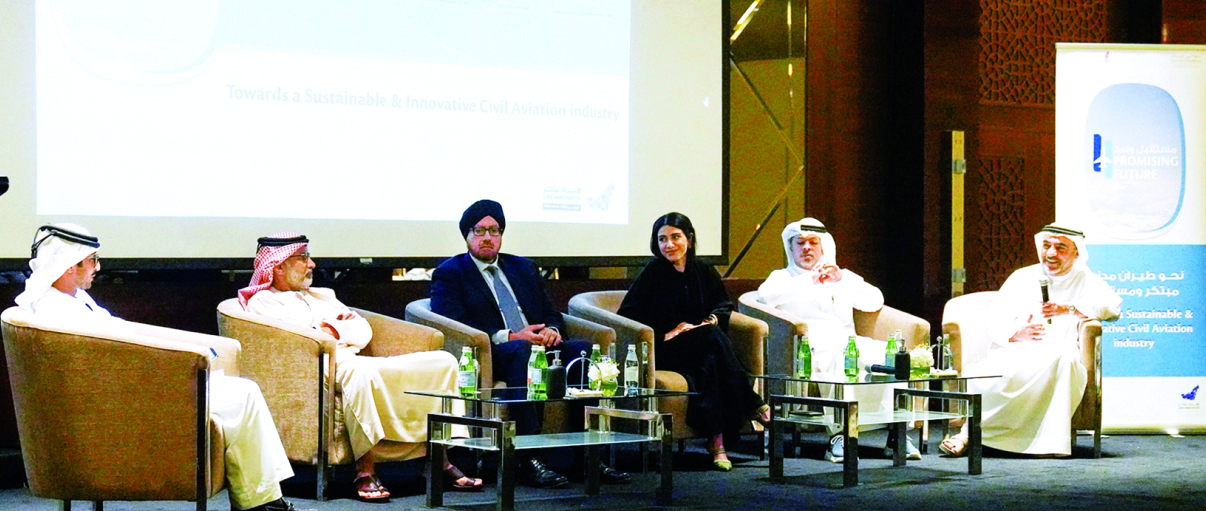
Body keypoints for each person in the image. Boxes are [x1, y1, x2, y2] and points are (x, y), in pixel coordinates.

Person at [15, 224, 295, 511]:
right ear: (67, 266)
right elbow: (103, 358)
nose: (98, 268)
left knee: (243, 393)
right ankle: (262, 503)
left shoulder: (73, 298)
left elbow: (117, 336)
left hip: (135, 384)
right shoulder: (55, 311)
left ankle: (262, 501)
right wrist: (170, 366)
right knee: (244, 395)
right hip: (123, 401)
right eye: (92, 261)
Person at [240, 233, 482, 501]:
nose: (312, 264)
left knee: (444, 362)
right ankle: (364, 470)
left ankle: (440, 460)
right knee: (360, 373)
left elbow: (363, 331)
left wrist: (331, 329)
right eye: (303, 258)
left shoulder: (324, 296)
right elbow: (303, 340)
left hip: (354, 359)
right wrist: (336, 328)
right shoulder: (263, 302)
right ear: (278, 266)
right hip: (320, 368)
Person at [430, 199, 630, 488]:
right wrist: (510, 336)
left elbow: (551, 312)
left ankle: (587, 455)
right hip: (495, 352)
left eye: (494, 230)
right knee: (522, 351)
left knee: (583, 351)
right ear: (467, 235)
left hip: (539, 346)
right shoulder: (450, 273)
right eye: (479, 230)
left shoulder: (523, 267)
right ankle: (528, 458)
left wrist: (551, 330)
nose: (487, 237)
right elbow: (453, 322)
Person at [940, 223, 1122, 457]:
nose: (1051, 253)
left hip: (1060, 353)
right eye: (1046, 246)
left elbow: (1113, 309)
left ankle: (1049, 444)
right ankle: (968, 433)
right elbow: (996, 318)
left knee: (1064, 359)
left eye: (1060, 247)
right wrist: (1015, 333)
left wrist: (1068, 308)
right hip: (1018, 350)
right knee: (988, 375)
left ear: (1076, 252)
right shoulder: (1022, 277)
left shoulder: (1086, 279)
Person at [757, 217, 919, 462]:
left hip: (848, 340)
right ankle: (840, 435)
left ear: (823, 247)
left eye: (813, 242)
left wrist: (843, 278)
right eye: (800, 243)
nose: (806, 248)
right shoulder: (783, 277)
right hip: (810, 346)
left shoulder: (839, 276)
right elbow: (764, 298)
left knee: (888, 356)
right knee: (842, 359)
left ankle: (896, 432)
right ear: (791, 248)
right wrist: (808, 280)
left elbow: (875, 301)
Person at [617, 212, 768, 472]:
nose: (669, 245)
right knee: (711, 339)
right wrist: (666, 334)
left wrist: (707, 322)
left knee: (709, 358)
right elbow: (628, 315)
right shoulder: (653, 273)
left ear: (689, 238)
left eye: (675, 237)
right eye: (662, 239)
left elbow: (723, 305)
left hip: (702, 345)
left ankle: (717, 442)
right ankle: (754, 404)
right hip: (667, 349)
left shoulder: (703, 270)